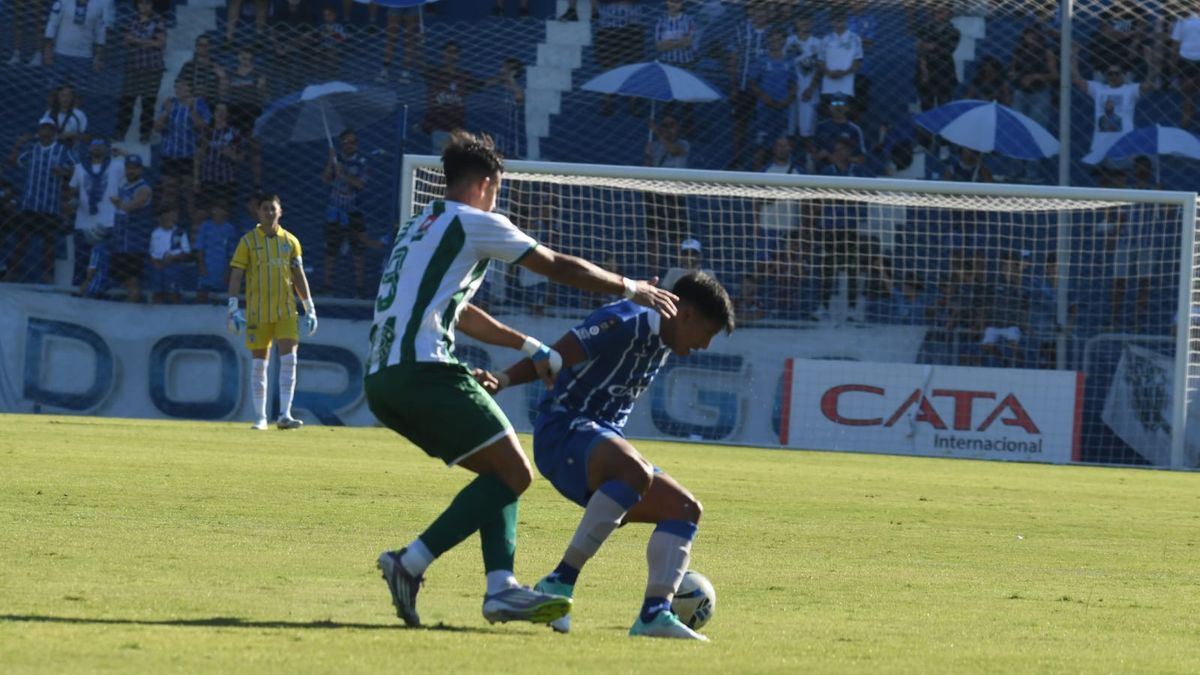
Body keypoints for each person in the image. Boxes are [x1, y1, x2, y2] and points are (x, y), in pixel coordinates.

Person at [364, 130, 678, 629]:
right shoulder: (476, 222)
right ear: (488, 183)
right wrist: (630, 287)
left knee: (499, 471)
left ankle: (500, 590)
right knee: (517, 472)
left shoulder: (416, 227)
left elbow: (459, 313)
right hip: (423, 371)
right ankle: (411, 563)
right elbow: (555, 265)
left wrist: (530, 347)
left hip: (381, 381)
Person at [477, 271, 734, 640]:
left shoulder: (666, 334)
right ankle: (559, 582)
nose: (704, 346)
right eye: (706, 334)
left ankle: (654, 615)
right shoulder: (624, 321)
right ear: (687, 314)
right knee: (635, 470)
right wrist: (501, 379)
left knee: (685, 509)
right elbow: (553, 357)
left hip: (599, 442)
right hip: (562, 433)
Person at [226, 193, 318, 430]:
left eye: (272, 209)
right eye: (265, 208)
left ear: (280, 211)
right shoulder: (247, 242)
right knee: (259, 365)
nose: (269, 212)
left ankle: (285, 414)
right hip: (258, 313)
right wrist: (233, 307)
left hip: (286, 311)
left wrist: (309, 307)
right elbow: (236, 274)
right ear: (258, 212)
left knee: (289, 360)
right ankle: (260, 417)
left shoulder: (290, 241)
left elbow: (298, 275)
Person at [3, 120, 74, 284]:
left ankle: (48, 275)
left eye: (49, 128)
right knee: (22, 240)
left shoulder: (62, 150)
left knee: (49, 243)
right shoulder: (31, 148)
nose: (46, 131)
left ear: (54, 132)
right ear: (39, 131)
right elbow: (13, 162)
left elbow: (76, 169)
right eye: (43, 128)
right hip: (30, 204)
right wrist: (18, 144)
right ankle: (13, 272)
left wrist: (63, 172)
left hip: (51, 206)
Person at [321, 129, 377, 298]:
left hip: (354, 211)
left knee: (358, 251)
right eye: (346, 142)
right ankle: (327, 285)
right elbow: (324, 179)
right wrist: (331, 162)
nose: (349, 145)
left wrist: (343, 174)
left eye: (352, 142)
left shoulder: (361, 162)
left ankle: (359, 287)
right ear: (341, 143)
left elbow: (360, 185)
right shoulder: (336, 159)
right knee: (330, 249)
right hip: (334, 211)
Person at [67, 139, 126, 284]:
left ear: (107, 149)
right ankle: (78, 290)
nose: (97, 148)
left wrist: (123, 154)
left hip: (108, 221)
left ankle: (101, 292)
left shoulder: (117, 166)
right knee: (81, 260)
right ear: (89, 148)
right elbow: (72, 190)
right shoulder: (79, 168)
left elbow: (134, 168)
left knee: (104, 260)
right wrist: (73, 200)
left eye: (101, 145)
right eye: (94, 145)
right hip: (83, 222)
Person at [155, 78, 211, 226]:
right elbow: (157, 127)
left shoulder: (199, 103)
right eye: (177, 87)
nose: (178, 89)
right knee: (169, 193)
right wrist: (166, 112)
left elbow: (203, 126)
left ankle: (194, 230)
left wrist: (192, 111)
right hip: (170, 156)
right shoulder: (170, 102)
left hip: (189, 157)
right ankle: (166, 226)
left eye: (182, 86)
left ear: (189, 88)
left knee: (190, 194)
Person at [642, 115, 690, 274]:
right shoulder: (654, 145)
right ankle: (653, 272)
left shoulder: (683, 144)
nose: (667, 129)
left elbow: (674, 151)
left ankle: (677, 270)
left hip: (675, 195)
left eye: (671, 125)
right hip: (655, 195)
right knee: (654, 236)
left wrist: (657, 133)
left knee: (677, 236)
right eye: (665, 125)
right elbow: (647, 170)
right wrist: (647, 154)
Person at [117, 0, 166, 144]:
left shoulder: (158, 20)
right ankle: (120, 132)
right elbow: (125, 41)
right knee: (127, 102)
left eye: (148, 3)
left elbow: (160, 43)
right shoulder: (132, 20)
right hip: (133, 68)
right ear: (137, 5)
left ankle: (145, 134)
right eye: (141, 3)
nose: (144, 6)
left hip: (152, 70)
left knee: (148, 103)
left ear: (152, 5)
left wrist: (137, 40)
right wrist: (147, 40)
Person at [107, 153, 153, 302]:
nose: (131, 171)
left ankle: (133, 312)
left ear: (141, 170)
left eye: (135, 168)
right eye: (129, 168)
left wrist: (118, 203)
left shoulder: (143, 188)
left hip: (134, 244)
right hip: (120, 243)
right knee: (123, 280)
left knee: (133, 280)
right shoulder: (124, 187)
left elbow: (133, 205)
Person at [41, 0, 115, 89]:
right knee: (54, 90)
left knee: (80, 92)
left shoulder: (100, 5)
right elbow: (52, 23)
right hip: (61, 53)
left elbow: (100, 32)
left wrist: (99, 56)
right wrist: (47, 49)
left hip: (84, 56)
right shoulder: (63, 1)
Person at [194, 201, 237, 304]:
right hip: (207, 269)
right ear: (213, 210)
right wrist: (201, 266)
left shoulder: (230, 229)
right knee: (202, 296)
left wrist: (228, 272)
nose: (220, 211)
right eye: (218, 208)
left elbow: (232, 253)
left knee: (221, 299)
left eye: (223, 209)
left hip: (222, 270)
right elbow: (199, 249)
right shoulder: (205, 227)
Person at [147, 206, 192, 304]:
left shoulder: (180, 233)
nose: (173, 218)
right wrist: (155, 261)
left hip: (173, 267)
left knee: (173, 294)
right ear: (162, 217)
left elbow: (187, 252)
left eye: (174, 215)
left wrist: (173, 257)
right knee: (157, 293)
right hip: (158, 267)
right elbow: (151, 252)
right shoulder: (155, 233)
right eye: (170, 215)